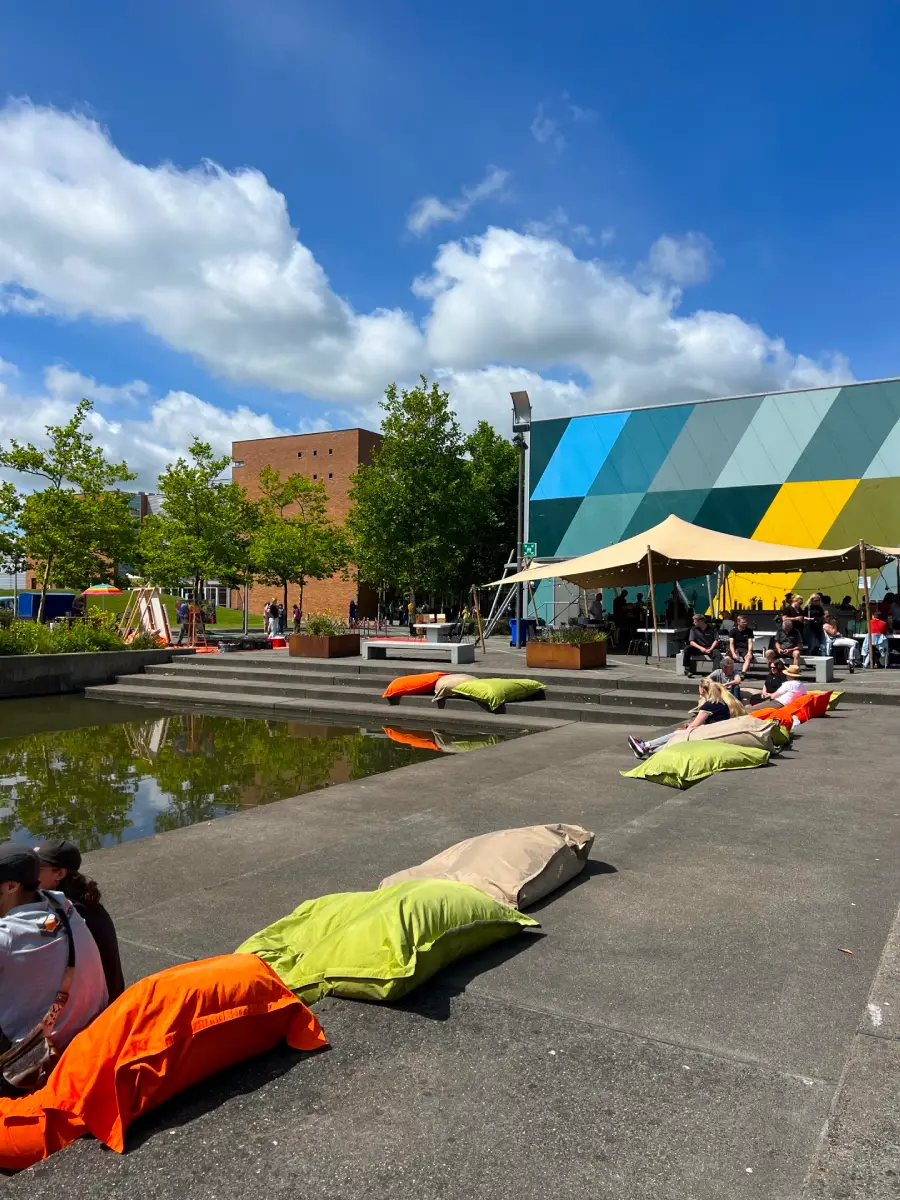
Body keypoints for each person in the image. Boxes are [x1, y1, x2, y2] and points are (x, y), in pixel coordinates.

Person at [0, 845, 107, 1084]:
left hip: (45, 1053)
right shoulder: (62, 905)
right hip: (93, 1027)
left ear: (10, 886)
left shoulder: (7, 937)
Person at [35, 840, 124, 1003]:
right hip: (107, 997)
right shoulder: (82, 903)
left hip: (96, 1011)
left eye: (37, 869)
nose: (29, 874)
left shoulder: (66, 913)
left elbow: (33, 943)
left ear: (59, 874)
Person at [627, 679, 743, 759]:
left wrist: (690, 726)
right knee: (680, 733)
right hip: (717, 733)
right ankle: (646, 750)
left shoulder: (709, 705)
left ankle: (647, 747)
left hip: (710, 736)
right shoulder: (722, 704)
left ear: (702, 689)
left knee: (679, 734)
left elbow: (694, 726)